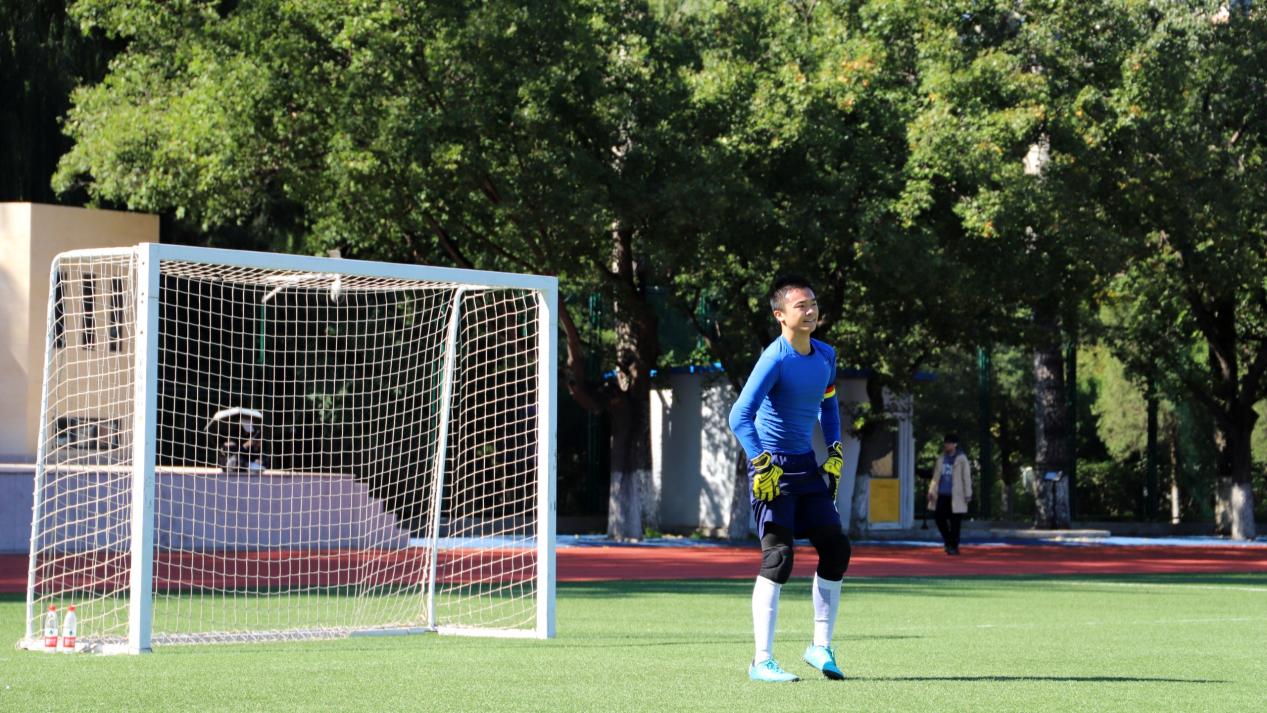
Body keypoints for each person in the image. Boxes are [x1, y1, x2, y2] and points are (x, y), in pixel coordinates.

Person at [728, 275, 852, 683]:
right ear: (780, 315)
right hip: (773, 467)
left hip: (806, 466)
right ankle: (761, 661)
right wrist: (760, 462)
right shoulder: (775, 358)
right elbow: (739, 416)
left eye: (813, 303)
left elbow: (828, 407)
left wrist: (834, 450)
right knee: (778, 557)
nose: (811, 310)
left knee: (836, 548)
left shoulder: (826, 355)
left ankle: (820, 647)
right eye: (801, 305)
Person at [926, 434, 971, 555]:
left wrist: (968, 493)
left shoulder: (962, 459)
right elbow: (936, 477)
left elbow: (966, 477)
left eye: (949, 442)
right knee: (939, 518)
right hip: (942, 494)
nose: (947, 445)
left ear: (955, 444)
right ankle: (948, 540)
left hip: (957, 495)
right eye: (946, 442)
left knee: (955, 522)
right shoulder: (941, 458)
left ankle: (954, 546)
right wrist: (931, 490)